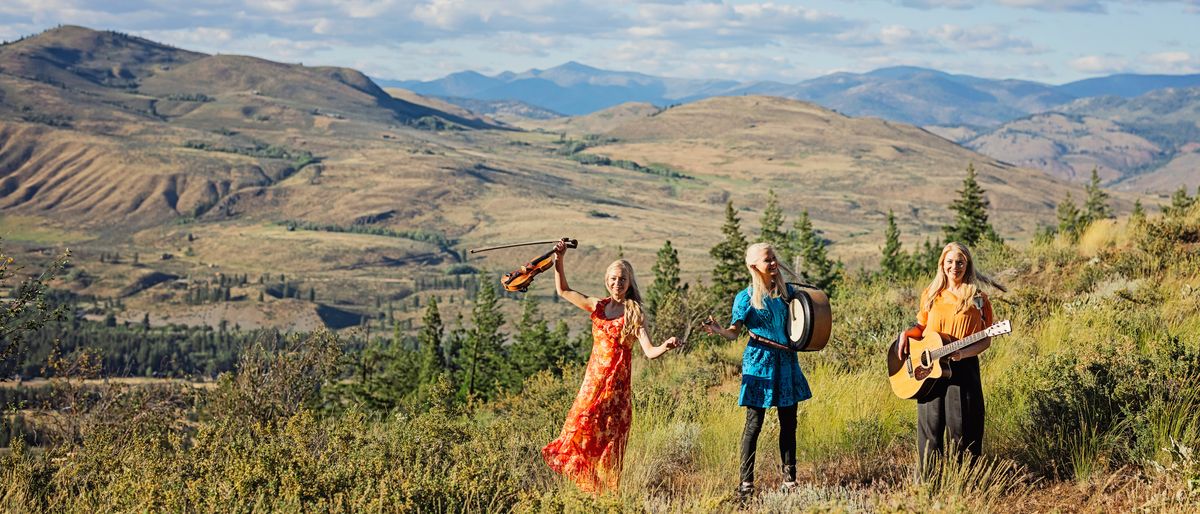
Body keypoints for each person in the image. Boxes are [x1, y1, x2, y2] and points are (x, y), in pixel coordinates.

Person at [542, 239, 683, 494]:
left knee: (610, 450)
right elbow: (563, 290)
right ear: (607, 281)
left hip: (616, 392)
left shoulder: (634, 312)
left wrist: (666, 345)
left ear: (629, 283)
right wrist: (559, 259)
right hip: (591, 387)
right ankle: (593, 493)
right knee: (576, 434)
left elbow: (649, 351)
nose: (618, 283)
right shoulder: (598, 306)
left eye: (622, 279)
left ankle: (609, 499)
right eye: (613, 279)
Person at [702, 242, 812, 498]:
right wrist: (719, 330)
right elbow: (733, 333)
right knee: (754, 424)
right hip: (759, 362)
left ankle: (790, 481)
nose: (773, 263)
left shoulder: (788, 292)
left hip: (786, 361)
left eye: (774, 258)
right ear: (754, 266)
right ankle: (746, 485)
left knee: (789, 423)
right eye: (767, 260)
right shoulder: (745, 297)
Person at [895, 241, 1006, 471]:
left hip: (963, 369)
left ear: (967, 265)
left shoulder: (978, 298)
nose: (954, 267)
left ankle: (964, 484)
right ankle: (927, 486)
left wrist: (962, 353)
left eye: (960, 262)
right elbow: (921, 328)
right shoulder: (931, 294)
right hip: (929, 370)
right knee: (929, 432)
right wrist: (907, 334)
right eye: (950, 262)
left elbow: (985, 338)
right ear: (942, 264)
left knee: (964, 433)